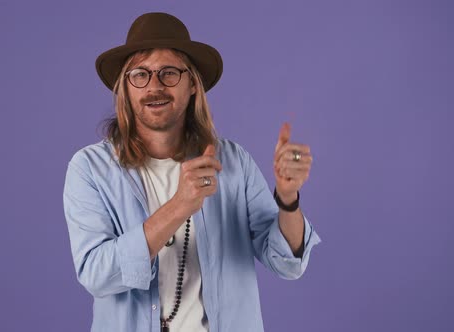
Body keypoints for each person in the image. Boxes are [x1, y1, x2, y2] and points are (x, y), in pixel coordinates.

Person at [63, 12, 321, 332]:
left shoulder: (234, 162)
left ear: (193, 84)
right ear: (125, 89)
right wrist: (179, 205)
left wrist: (287, 197)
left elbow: (287, 263)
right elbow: (96, 275)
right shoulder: (90, 170)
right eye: (140, 74)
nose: (154, 86)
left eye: (169, 73)